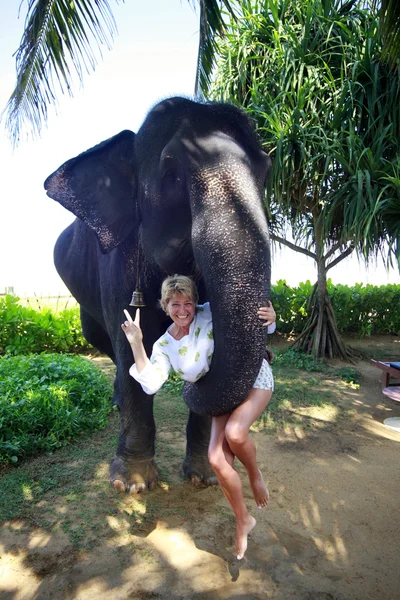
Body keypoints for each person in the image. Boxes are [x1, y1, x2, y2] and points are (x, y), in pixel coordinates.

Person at [121, 274, 275, 561]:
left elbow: (249, 321)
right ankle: (244, 520)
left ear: (195, 303)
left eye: (188, 303)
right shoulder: (164, 346)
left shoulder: (208, 313)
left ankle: (256, 476)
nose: (183, 310)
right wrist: (136, 342)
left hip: (252, 376)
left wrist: (270, 317)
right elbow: (152, 382)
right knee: (216, 460)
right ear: (165, 306)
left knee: (236, 434)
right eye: (175, 304)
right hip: (222, 393)